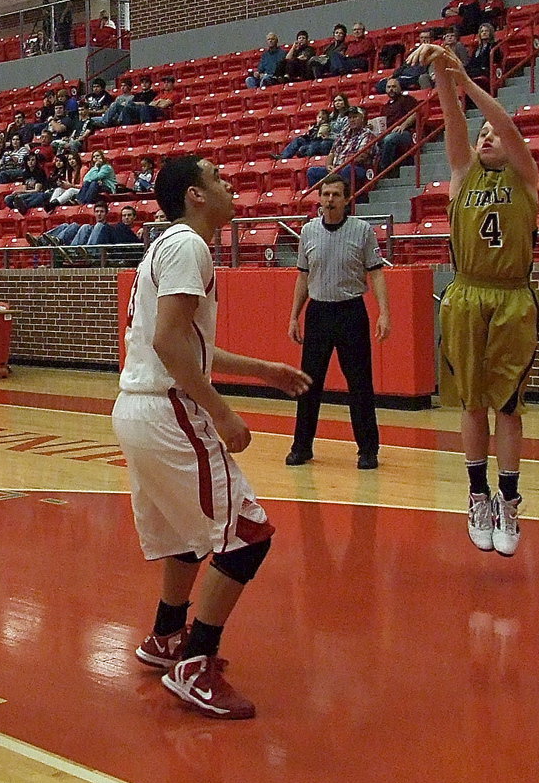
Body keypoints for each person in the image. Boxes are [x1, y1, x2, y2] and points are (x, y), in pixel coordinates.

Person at [111, 155, 310, 719]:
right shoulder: (188, 247)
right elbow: (174, 346)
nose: (229, 185)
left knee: (183, 537)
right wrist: (222, 413)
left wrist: (264, 371)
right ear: (196, 195)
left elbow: (180, 343)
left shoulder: (168, 246)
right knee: (248, 536)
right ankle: (195, 663)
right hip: (167, 410)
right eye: (218, 178)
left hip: (138, 407)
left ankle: (166, 637)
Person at [415, 41, 538, 558]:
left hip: (511, 299)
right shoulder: (462, 175)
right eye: (481, 134)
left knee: (507, 407)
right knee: (471, 402)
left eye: (493, 135)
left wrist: (468, 84)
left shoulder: (526, 178)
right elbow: (452, 119)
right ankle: (476, 494)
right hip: (466, 296)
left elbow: (503, 121)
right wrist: (442, 71)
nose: (487, 136)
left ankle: (509, 499)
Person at [286, 175, 390, 471]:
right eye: (325, 194)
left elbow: (377, 273)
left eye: (335, 195)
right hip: (318, 312)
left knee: (360, 384)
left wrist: (384, 312)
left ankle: (368, 450)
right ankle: (302, 446)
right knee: (308, 384)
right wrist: (294, 315)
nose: (329, 200)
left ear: (347, 200)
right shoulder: (308, 232)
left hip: (351, 312)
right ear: (319, 199)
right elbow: (303, 275)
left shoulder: (362, 231)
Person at [305, 107, 374, 192]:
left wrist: (340, 167)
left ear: (362, 118)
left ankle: (345, 201)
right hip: (337, 168)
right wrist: (328, 166)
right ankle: (321, 200)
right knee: (312, 172)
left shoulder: (367, 134)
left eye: (355, 117)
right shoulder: (343, 134)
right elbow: (332, 152)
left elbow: (361, 156)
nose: (352, 120)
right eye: (350, 118)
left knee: (348, 170)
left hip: (356, 168)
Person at [375, 79, 420, 170]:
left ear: (399, 88)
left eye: (394, 86)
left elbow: (415, 114)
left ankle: (385, 169)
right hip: (389, 132)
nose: (391, 89)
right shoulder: (385, 106)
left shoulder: (407, 99)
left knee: (389, 139)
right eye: (389, 87)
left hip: (406, 133)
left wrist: (403, 125)